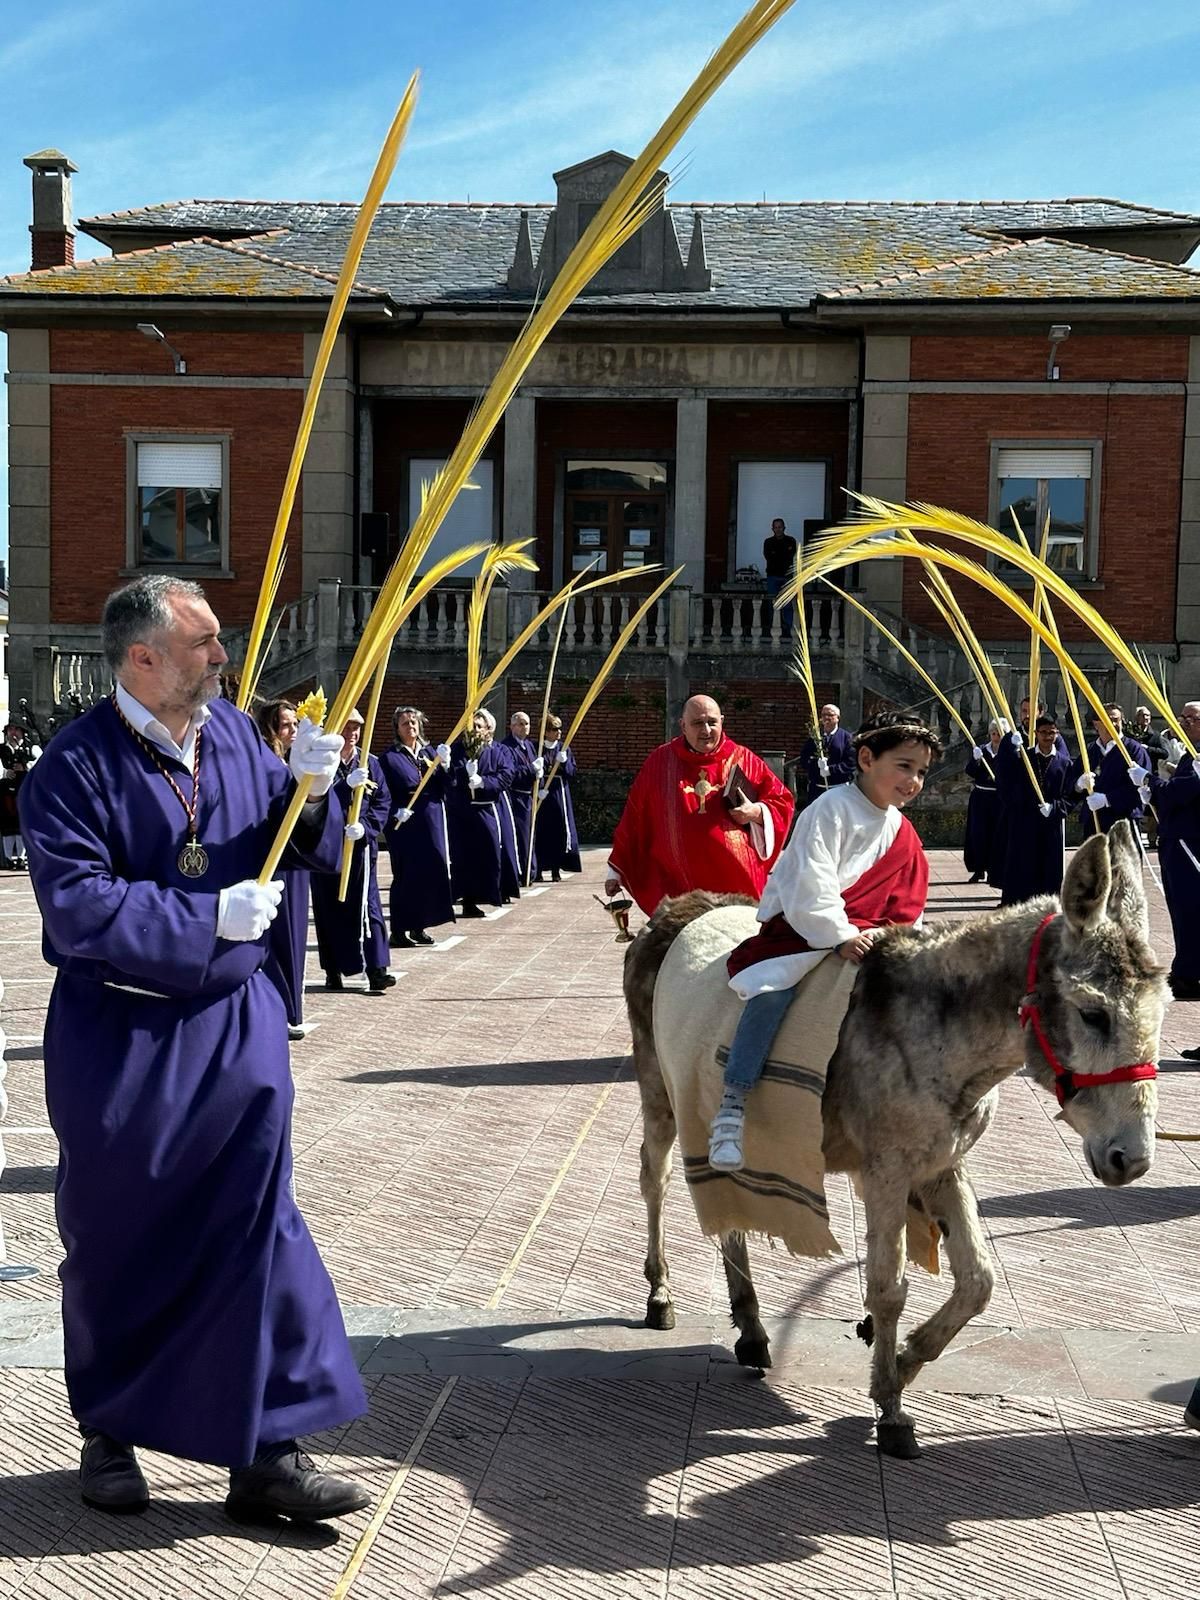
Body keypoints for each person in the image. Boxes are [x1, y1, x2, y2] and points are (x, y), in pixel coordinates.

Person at [18, 575, 370, 1521]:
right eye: (205, 642)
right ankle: (108, 1431)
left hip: (234, 1027)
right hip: (121, 1032)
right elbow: (77, 908)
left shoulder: (245, 742)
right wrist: (203, 914)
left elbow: (291, 852)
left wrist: (318, 793)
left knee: (258, 1227)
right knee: (117, 1233)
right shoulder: (73, 767)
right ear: (143, 656)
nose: (224, 657)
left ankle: (267, 1451)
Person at [710, 712, 939, 1170]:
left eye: (921, 771)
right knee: (773, 993)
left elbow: (908, 899)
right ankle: (732, 1106)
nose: (913, 780)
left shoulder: (904, 832)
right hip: (806, 930)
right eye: (904, 765)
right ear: (867, 758)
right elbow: (810, 881)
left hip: (872, 939)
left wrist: (887, 933)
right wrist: (838, 937)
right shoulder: (830, 808)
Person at [606, 695, 794, 915]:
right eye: (697, 723)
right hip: (677, 885)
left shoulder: (744, 759)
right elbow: (635, 817)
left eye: (712, 722)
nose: (706, 730)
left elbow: (782, 801)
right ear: (683, 726)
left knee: (739, 943)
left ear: (722, 721)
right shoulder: (660, 762)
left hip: (737, 882)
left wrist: (756, 812)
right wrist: (615, 871)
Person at [310, 710, 395, 994]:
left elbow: (382, 800)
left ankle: (377, 969)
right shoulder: (323, 762)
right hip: (327, 846)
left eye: (357, 728)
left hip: (361, 849)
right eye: (348, 727)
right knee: (329, 907)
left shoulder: (370, 762)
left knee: (368, 906)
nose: (353, 733)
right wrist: (343, 788)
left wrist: (367, 829)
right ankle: (333, 968)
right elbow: (313, 798)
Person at [255, 698, 310, 1040]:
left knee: (295, 935)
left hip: (296, 860)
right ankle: (276, 1005)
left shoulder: (298, 758)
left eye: (295, 724)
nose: (291, 731)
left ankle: (292, 1005)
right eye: (285, 725)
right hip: (271, 857)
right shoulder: (265, 762)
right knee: (275, 935)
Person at [379, 705, 455, 947]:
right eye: (405, 723)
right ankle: (400, 929)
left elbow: (447, 786)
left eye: (413, 722)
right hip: (405, 821)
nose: (410, 726)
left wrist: (445, 765)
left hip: (430, 816)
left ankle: (420, 925)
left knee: (431, 870)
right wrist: (394, 813)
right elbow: (382, 794)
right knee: (406, 874)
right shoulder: (389, 758)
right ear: (397, 729)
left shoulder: (431, 753)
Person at [994, 715, 1072, 906]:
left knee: (1049, 871)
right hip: (1025, 822)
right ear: (1035, 734)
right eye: (1043, 732)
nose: (1047, 737)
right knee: (1022, 867)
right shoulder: (1023, 758)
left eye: (1052, 732)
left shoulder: (1064, 763)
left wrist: (1055, 809)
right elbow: (1004, 779)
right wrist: (1009, 751)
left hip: (1050, 824)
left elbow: (1070, 797)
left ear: (1057, 734)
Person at [1150, 700, 1200, 1000]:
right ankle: (1184, 968)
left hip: (1190, 843)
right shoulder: (1190, 755)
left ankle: (1190, 974)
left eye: (1190, 719)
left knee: (1191, 910)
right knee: (1179, 910)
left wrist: (1149, 781)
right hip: (1175, 839)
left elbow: (1179, 793)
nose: (1183, 723)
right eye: (1182, 718)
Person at [447, 708, 516, 916]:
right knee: (463, 857)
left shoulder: (498, 751)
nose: (475, 730)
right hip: (462, 811)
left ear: (488, 729)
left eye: (479, 726)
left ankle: (488, 893)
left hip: (486, 809)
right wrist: (454, 769)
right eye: (472, 727)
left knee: (488, 854)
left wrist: (483, 782)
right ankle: (466, 899)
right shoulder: (458, 749)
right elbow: (449, 777)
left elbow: (506, 775)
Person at [1066, 703, 1149, 837]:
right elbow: (1070, 783)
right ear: (1096, 724)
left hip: (1123, 822)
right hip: (1093, 822)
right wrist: (1078, 784)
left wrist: (1107, 799)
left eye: (1116, 720)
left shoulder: (1134, 750)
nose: (1112, 724)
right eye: (1107, 720)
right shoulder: (1089, 750)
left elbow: (1140, 787)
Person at [533, 713, 582, 882]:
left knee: (558, 830)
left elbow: (572, 772)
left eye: (559, 728)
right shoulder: (536, 748)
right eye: (554, 729)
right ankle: (538, 869)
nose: (558, 732)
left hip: (558, 794)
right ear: (545, 731)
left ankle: (555, 868)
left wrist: (564, 762)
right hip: (542, 794)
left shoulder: (564, 748)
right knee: (540, 831)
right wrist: (538, 788)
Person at [501, 710, 543, 885]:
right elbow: (511, 773)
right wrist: (531, 770)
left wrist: (539, 782)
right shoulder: (507, 747)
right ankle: (521, 872)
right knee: (521, 836)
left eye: (526, 724)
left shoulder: (530, 746)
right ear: (512, 726)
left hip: (529, 797)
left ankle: (530, 872)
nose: (524, 727)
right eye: (520, 724)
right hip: (516, 797)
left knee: (531, 836)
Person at [964, 719, 1004, 884]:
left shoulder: (1008, 752)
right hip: (981, 797)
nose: (995, 737)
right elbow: (971, 771)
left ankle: (995, 869)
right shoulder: (982, 750)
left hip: (999, 798)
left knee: (997, 834)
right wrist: (976, 761)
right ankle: (979, 868)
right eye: (993, 733)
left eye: (999, 734)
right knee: (979, 834)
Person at [795, 703, 856, 806]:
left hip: (838, 789)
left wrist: (830, 770)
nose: (826, 718)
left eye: (830, 715)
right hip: (817, 789)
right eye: (823, 715)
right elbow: (804, 758)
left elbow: (851, 763)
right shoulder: (815, 737)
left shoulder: (847, 738)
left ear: (837, 718)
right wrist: (816, 766)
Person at [0, 721, 41, 868]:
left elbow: (42, 764)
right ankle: (9, 858)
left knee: (22, 823)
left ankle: (22, 858)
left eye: (16, 730)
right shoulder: (1, 749)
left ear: (23, 733)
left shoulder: (32, 749)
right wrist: (5, 772)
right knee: (7, 824)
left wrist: (25, 766)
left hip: (25, 790)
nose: (13, 733)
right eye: (10, 730)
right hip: (5, 790)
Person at [761, 516, 797, 632]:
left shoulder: (791, 540)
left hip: (786, 576)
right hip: (773, 576)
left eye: (780, 527)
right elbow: (768, 557)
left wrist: (778, 556)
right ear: (772, 529)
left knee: (787, 604)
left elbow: (790, 556)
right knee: (773, 604)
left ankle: (788, 628)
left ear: (784, 528)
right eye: (776, 527)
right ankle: (773, 627)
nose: (778, 529)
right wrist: (780, 556)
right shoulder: (768, 542)